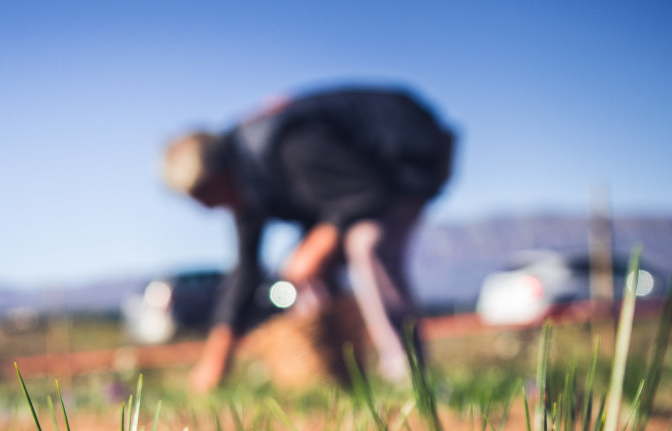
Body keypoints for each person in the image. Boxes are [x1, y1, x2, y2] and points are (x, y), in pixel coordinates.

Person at [161, 86, 455, 390]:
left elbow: (366, 191)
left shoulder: (289, 146)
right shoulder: (247, 186)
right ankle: (341, 379)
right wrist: (217, 359)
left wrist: (317, 245)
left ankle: (410, 376)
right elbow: (245, 271)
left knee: (366, 243)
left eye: (207, 197)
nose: (211, 208)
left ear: (218, 173)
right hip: (363, 188)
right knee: (309, 270)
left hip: (408, 155)